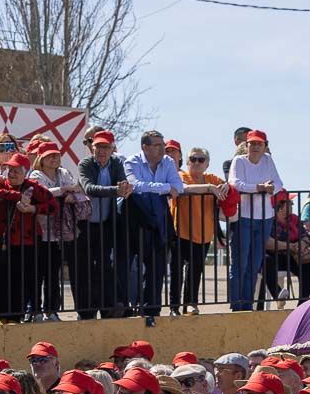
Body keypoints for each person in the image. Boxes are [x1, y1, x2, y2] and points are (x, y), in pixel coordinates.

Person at [0, 152, 57, 323]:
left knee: (22, 280)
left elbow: (53, 205)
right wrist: (18, 197)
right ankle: (1, 317)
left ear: (25, 172)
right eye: (10, 169)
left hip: (27, 242)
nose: (12, 173)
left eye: (17, 170)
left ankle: (17, 317)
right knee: (1, 279)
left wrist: (33, 209)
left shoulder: (33, 186)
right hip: (2, 241)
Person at [124, 130, 184, 325]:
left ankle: (152, 310)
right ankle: (130, 308)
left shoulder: (167, 162)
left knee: (157, 268)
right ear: (145, 147)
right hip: (134, 219)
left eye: (162, 144)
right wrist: (164, 188)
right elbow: (135, 186)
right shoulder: (132, 161)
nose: (161, 149)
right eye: (157, 145)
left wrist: (156, 187)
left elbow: (179, 187)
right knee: (129, 267)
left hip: (158, 221)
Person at [30, 142, 90, 322]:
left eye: (56, 155)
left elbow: (75, 188)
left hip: (58, 232)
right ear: (41, 158)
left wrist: (69, 194)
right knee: (37, 273)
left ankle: (52, 309)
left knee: (52, 273)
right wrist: (62, 191)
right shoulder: (35, 174)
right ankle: (35, 309)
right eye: (50, 155)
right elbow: (39, 193)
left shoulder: (63, 173)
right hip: (39, 230)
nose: (55, 158)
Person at [227, 129, 284, 310]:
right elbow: (235, 183)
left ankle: (247, 304)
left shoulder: (268, 160)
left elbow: (279, 184)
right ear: (246, 145)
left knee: (254, 264)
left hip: (265, 217)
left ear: (265, 146)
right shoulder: (239, 161)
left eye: (259, 143)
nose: (256, 146)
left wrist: (269, 189)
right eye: (252, 143)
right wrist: (259, 188)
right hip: (243, 217)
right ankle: (236, 304)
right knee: (240, 263)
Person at [77, 130, 131, 318]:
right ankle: (86, 311)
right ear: (93, 148)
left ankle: (108, 308)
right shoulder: (85, 164)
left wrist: (123, 188)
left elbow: (123, 183)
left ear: (112, 148)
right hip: (85, 225)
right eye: (98, 146)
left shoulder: (116, 163)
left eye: (105, 147)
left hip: (106, 223)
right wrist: (116, 190)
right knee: (85, 268)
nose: (101, 151)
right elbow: (89, 188)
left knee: (105, 266)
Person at [171, 146, 227, 315]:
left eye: (201, 159)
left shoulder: (212, 178)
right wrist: (209, 188)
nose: (197, 162)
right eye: (193, 159)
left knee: (195, 271)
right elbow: (182, 189)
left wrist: (226, 188)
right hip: (180, 230)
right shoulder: (181, 175)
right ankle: (174, 306)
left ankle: (190, 303)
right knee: (176, 271)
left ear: (207, 164)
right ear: (187, 162)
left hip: (203, 233)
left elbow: (227, 186)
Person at [263, 190, 310, 305]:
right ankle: (278, 294)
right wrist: (290, 246)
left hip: (292, 254)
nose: (292, 205)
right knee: (266, 261)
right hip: (273, 255)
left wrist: (301, 244)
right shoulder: (268, 221)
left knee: (308, 265)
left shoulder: (294, 219)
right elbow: (267, 242)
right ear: (280, 206)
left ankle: (302, 303)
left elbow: (306, 236)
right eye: (289, 203)